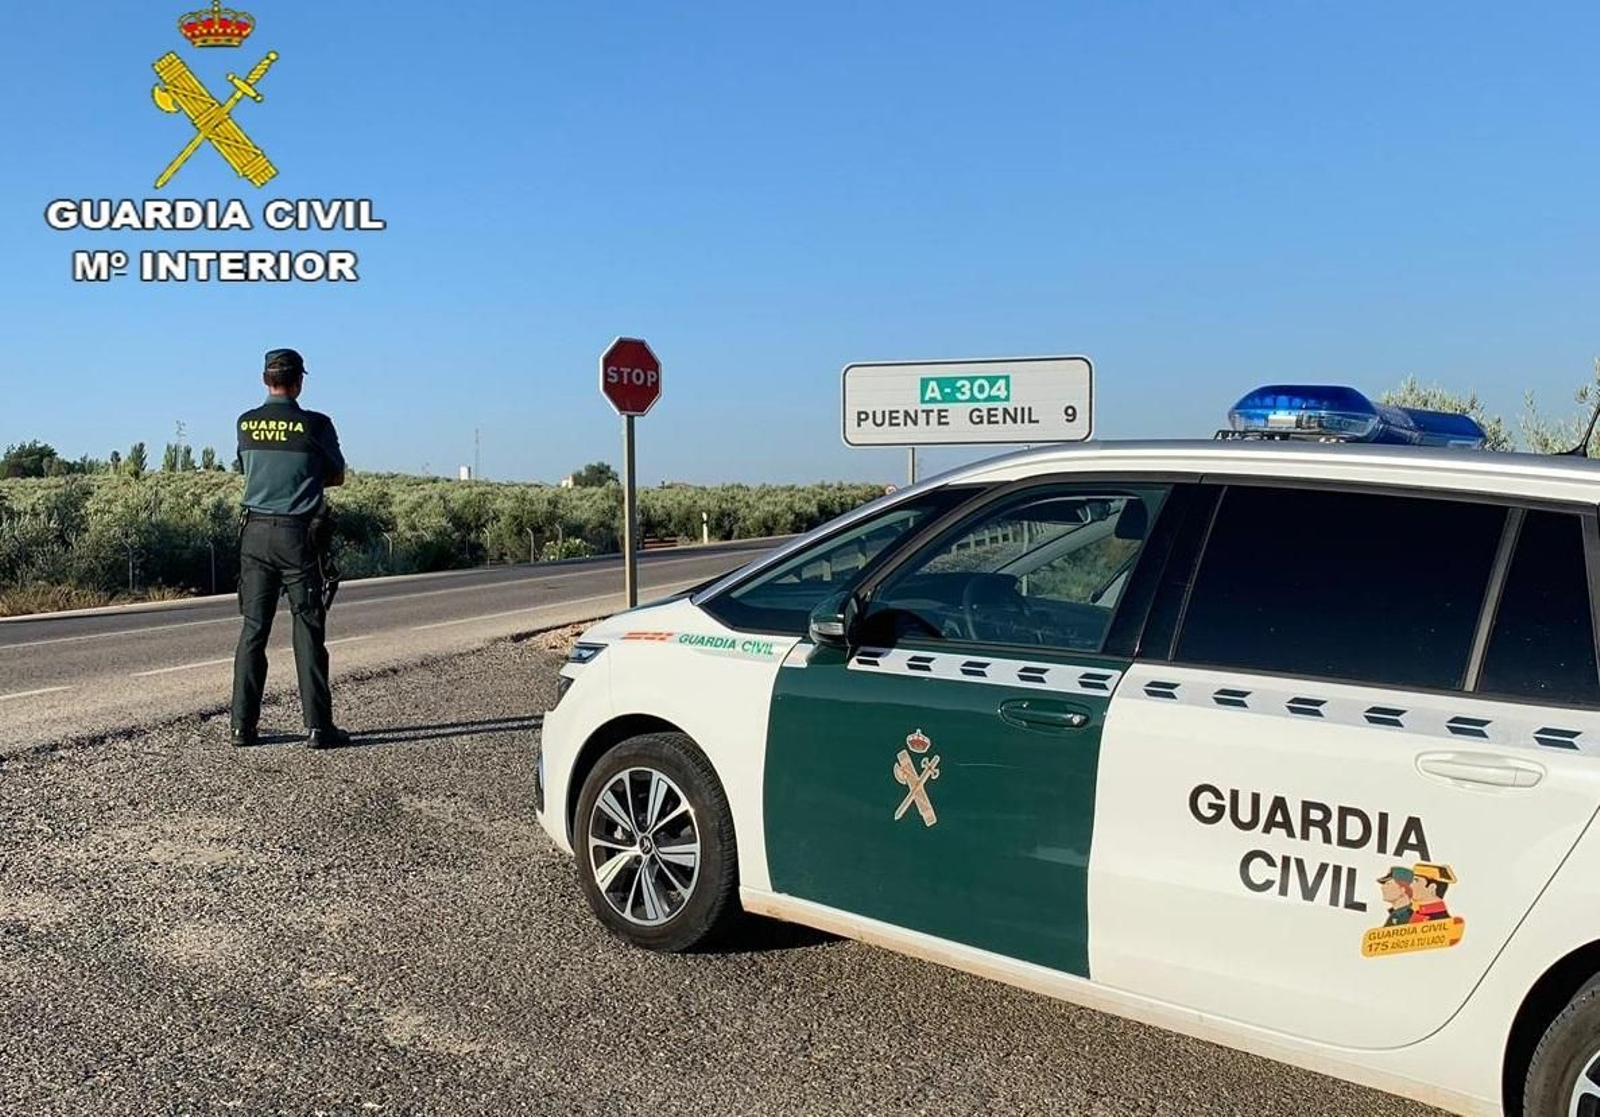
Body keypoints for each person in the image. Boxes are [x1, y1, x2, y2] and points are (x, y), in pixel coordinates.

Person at [230, 348, 350, 749]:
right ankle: (318, 727)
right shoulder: (316, 425)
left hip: (254, 536)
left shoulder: (245, 424)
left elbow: (245, 469)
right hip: (299, 537)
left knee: (253, 630)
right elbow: (337, 475)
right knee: (308, 629)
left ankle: (241, 727)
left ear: (266, 380)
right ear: (299, 382)